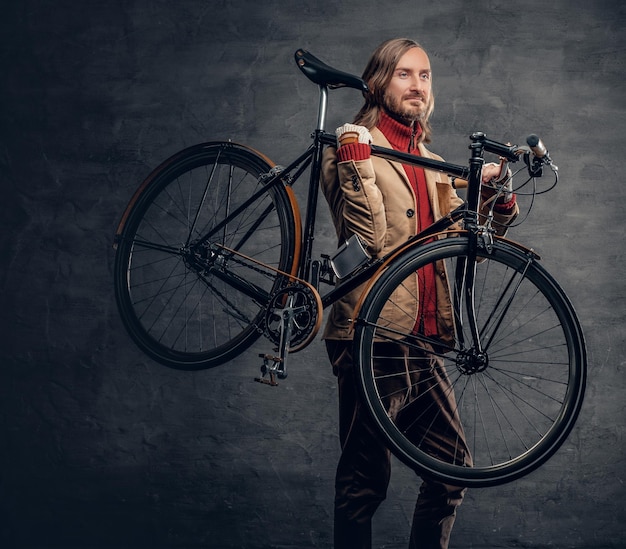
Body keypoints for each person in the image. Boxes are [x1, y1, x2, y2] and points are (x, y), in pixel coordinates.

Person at [320, 38, 519, 549]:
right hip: (371, 333)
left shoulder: (431, 161)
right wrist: (356, 158)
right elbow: (370, 239)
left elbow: (464, 245)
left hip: (422, 341)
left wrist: (493, 200)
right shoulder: (349, 148)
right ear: (379, 82)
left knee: (451, 470)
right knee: (364, 483)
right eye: (404, 74)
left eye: (425, 75)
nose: (417, 85)